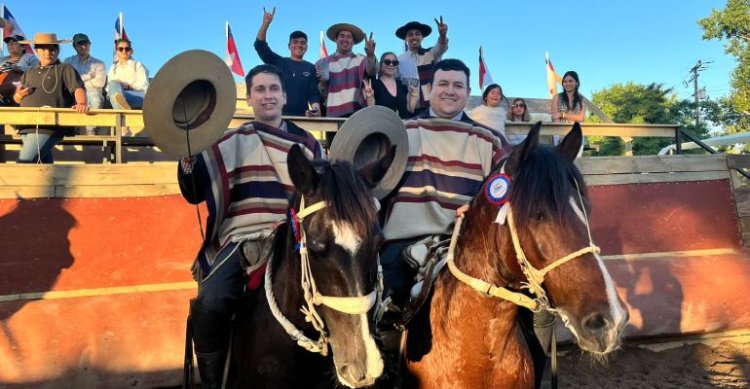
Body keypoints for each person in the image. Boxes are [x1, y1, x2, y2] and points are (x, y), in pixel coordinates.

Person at [178, 64, 323, 388]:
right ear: (249, 98)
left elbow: (319, 192)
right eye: (260, 90)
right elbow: (193, 191)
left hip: (294, 236)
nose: (268, 96)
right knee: (211, 301)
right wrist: (188, 156)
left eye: (274, 89)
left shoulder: (308, 143)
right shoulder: (230, 140)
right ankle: (213, 380)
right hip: (242, 236)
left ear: (285, 97)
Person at [379, 59, 511, 307]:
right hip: (402, 244)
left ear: (468, 93)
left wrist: (481, 207)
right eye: (443, 83)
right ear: (429, 90)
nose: (450, 91)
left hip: (466, 243)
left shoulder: (490, 139)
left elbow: (509, 189)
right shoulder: (401, 132)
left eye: (458, 86)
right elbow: (372, 184)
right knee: (378, 311)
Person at [12, 33, 88, 163]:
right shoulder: (29, 72)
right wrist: (19, 95)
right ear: (36, 50)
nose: (48, 52)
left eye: (52, 48)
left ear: (58, 51)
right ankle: (55, 184)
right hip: (26, 125)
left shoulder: (65, 68)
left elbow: (78, 88)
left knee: (24, 162)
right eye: (43, 48)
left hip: (49, 126)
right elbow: (17, 99)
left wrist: (81, 102)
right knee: (42, 167)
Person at [253, 7, 321, 117]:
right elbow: (260, 46)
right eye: (295, 42)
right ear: (289, 46)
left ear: (307, 47)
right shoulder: (278, 62)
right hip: (277, 118)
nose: (299, 45)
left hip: (302, 119)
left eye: (302, 43)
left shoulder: (311, 68)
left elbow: (313, 94)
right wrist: (265, 24)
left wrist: (316, 109)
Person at [316, 23, 377, 118]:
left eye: (349, 37)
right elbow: (321, 94)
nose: (345, 39)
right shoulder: (323, 62)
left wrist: (370, 55)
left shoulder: (361, 59)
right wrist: (322, 83)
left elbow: (372, 72)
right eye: (342, 36)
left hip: (358, 114)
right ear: (336, 39)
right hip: (333, 116)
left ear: (353, 41)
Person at [396, 18, 448, 114]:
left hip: (431, 107)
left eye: (417, 34)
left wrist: (442, 35)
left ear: (422, 37)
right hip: (409, 109)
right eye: (410, 35)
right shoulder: (399, 60)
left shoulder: (431, 54)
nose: (414, 37)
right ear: (406, 38)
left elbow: (442, 47)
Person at [63, 33, 106, 134]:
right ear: (74, 46)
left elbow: (99, 83)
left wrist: (77, 81)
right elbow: (66, 81)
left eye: (86, 43)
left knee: (96, 100)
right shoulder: (67, 61)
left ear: (90, 45)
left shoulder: (99, 63)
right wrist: (89, 77)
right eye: (80, 44)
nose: (84, 46)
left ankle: (91, 130)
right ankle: (68, 131)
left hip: (92, 92)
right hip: (73, 92)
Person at [362, 52, 417, 119]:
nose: (391, 64)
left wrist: (414, 93)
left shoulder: (402, 85)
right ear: (381, 65)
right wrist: (370, 97)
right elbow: (372, 111)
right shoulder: (374, 85)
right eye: (387, 62)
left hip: (403, 126)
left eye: (395, 63)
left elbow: (411, 109)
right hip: (384, 127)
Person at [107, 38, 149, 110]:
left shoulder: (138, 66)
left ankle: (122, 110)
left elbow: (144, 86)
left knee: (115, 97)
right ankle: (124, 109)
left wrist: (127, 85)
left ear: (131, 51)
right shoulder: (113, 68)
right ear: (117, 51)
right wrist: (118, 85)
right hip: (118, 94)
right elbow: (109, 88)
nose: (124, 51)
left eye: (127, 49)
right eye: (121, 49)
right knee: (113, 85)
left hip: (136, 95)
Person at [0, 34, 38, 105]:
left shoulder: (29, 57)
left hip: (16, 94)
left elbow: (38, 69)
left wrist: (20, 68)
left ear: (23, 47)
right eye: (9, 43)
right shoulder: (2, 59)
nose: (11, 45)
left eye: (14, 43)